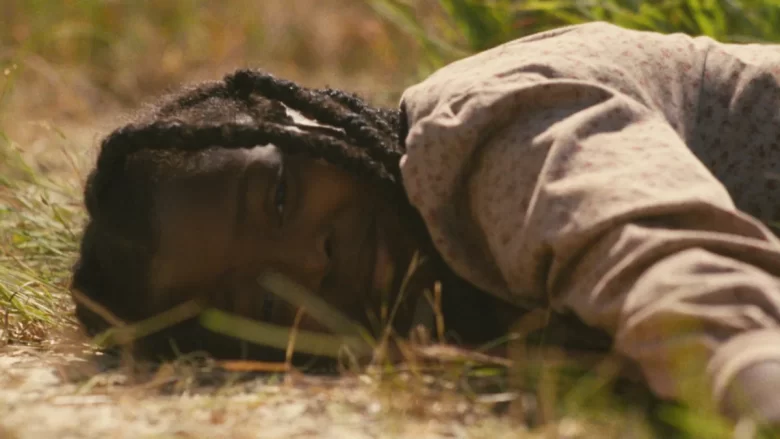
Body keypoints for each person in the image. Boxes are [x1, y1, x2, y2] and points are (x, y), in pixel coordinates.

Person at [71, 21, 780, 425]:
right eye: (261, 304)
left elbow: (670, 267)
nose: (310, 263)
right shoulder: (453, 302)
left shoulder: (486, 133)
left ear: (299, 120)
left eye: (280, 198)